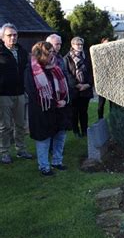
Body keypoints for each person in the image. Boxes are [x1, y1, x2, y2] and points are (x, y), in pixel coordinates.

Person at [25, 41, 71, 176]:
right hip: (42, 111)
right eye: (49, 52)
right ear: (41, 54)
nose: (53, 54)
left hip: (58, 110)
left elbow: (65, 85)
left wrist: (64, 100)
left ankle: (57, 161)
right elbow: (32, 92)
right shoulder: (31, 70)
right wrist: (53, 103)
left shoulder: (55, 68)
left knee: (60, 135)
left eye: (53, 52)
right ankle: (44, 166)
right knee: (44, 139)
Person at [0, 23, 33, 164]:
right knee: (5, 126)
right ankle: (4, 152)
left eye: (15, 35)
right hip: (3, 95)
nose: (13, 37)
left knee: (20, 124)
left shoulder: (22, 51)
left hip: (20, 93)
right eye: (9, 35)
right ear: (2, 37)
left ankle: (21, 149)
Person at [64, 36, 93, 138]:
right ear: (72, 45)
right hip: (74, 90)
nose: (80, 46)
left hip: (86, 89)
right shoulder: (67, 58)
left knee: (84, 112)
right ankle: (76, 131)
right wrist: (76, 84)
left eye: (81, 44)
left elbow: (91, 71)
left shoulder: (87, 56)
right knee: (74, 112)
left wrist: (88, 84)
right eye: (78, 44)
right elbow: (67, 73)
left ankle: (85, 131)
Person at [97, 38, 109, 119]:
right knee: (101, 103)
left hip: (111, 83)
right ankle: (100, 118)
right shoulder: (98, 55)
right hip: (102, 83)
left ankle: (113, 117)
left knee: (113, 104)